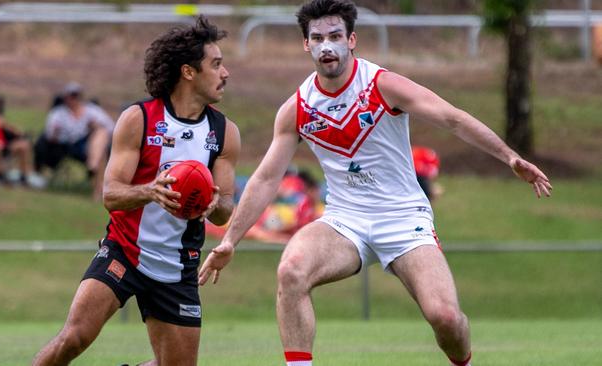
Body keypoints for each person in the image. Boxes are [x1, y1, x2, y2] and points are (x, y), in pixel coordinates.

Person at [198, 1, 552, 366]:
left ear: (352, 40)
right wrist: (229, 241)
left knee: (445, 319)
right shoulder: (298, 108)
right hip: (344, 221)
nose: (327, 46)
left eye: (335, 36)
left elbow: (451, 118)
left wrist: (510, 156)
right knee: (291, 270)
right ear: (306, 45)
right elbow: (267, 177)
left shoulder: (382, 85)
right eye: (317, 38)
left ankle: (464, 362)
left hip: (404, 219)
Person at [33, 16, 239, 366]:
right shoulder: (139, 118)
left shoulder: (224, 132)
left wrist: (212, 203)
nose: (225, 73)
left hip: (178, 267)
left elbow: (225, 208)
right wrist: (151, 192)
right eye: (216, 64)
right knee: (74, 338)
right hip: (124, 253)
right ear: (188, 72)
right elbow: (110, 195)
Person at [34, 82, 114, 200]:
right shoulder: (59, 113)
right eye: (70, 96)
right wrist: (57, 132)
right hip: (69, 146)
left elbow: (111, 127)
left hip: (90, 142)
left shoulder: (91, 110)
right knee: (100, 150)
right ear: (65, 98)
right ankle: (97, 182)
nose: (73, 99)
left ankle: (94, 168)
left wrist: (93, 126)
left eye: (75, 96)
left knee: (100, 133)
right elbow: (49, 135)